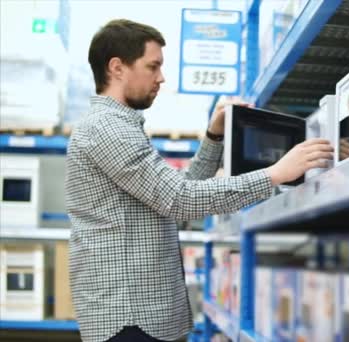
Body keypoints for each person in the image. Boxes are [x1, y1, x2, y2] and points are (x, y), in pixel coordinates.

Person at [65, 19, 333, 342]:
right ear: (117, 68)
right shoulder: (107, 129)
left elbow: (176, 194)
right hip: (128, 318)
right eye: (153, 66)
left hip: (138, 315)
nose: (161, 78)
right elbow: (182, 200)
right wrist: (275, 173)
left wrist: (214, 135)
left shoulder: (118, 126)